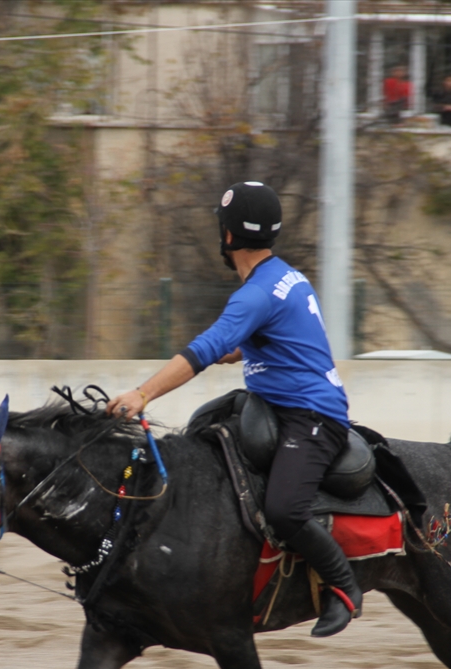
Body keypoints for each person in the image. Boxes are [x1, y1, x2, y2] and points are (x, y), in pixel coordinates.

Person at [106, 181, 362, 637]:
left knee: (285, 511)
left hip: (312, 416)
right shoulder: (286, 275)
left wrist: (141, 395)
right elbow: (296, 334)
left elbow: (204, 348)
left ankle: (344, 586)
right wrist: (247, 350)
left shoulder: (254, 295)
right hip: (274, 402)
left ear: (228, 237)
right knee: (203, 426)